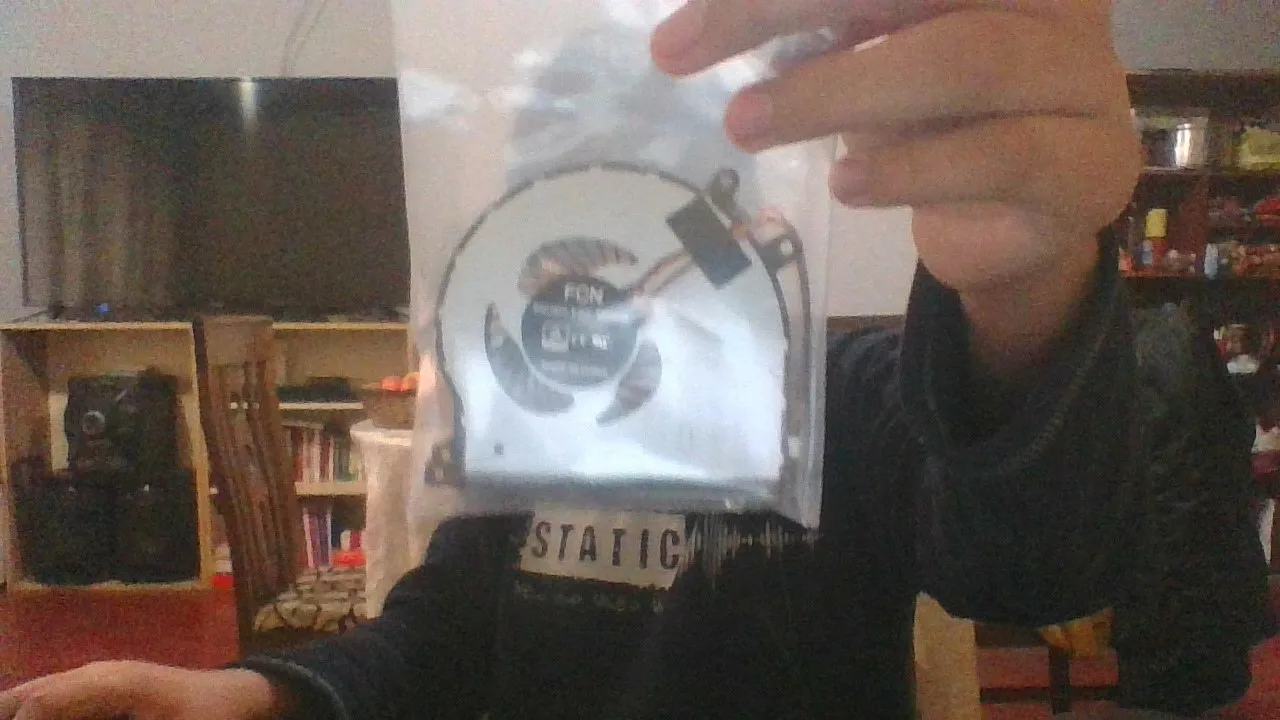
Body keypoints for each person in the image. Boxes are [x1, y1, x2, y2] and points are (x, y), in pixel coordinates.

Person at [0, 1, 1266, 718]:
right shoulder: (532, 407)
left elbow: (1031, 560)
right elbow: (441, 635)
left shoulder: (846, 397)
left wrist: (1027, 288)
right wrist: (255, 697)